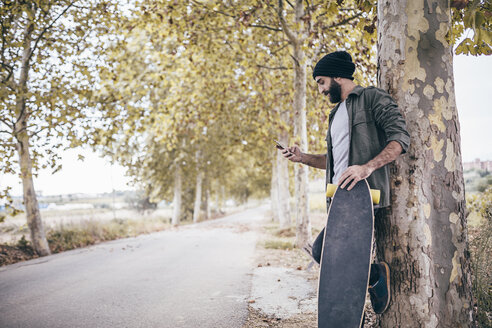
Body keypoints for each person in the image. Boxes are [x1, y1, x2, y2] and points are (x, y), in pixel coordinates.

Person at [279, 50, 410, 314]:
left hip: (363, 196)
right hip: (339, 199)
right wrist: (302, 157)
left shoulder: (372, 98)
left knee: (320, 251)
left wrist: (366, 168)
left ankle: (374, 277)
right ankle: (371, 279)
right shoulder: (336, 114)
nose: (320, 89)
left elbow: (400, 140)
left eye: (321, 81)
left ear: (339, 75)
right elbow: (334, 161)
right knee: (322, 253)